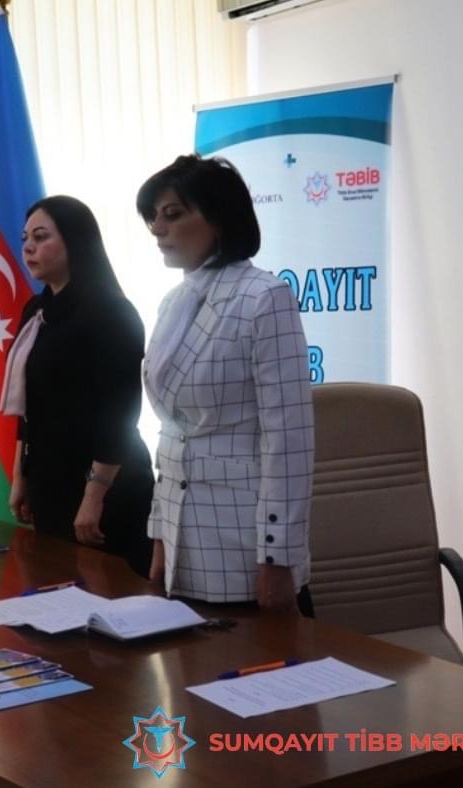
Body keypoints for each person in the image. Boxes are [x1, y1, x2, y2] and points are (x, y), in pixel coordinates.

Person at [137, 154, 315, 614]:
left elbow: (288, 440)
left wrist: (277, 556)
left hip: (243, 543)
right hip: (181, 539)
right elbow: (171, 433)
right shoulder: (173, 303)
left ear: (217, 219)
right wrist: (159, 534)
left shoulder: (264, 297)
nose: (158, 228)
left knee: (251, 659)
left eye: (173, 214)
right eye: (153, 217)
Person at [0, 195, 153, 577]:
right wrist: (21, 478)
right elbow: (29, 407)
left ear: (76, 241)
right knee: (55, 593)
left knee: (111, 595)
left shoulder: (111, 312)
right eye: (25, 239)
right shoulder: (36, 312)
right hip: (50, 482)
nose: (28, 248)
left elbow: (119, 414)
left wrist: (94, 496)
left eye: (41, 237)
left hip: (107, 485)